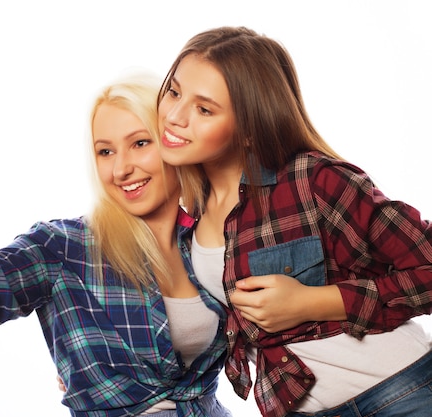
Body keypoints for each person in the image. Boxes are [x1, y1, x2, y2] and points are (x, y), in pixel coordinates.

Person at [0, 72, 235, 417]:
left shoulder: (211, 243)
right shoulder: (66, 248)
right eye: (105, 151)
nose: (121, 169)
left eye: (139, 143)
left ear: (171, 142)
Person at [156, 26, 432, 417]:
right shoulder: (189, 219)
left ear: (249, 128)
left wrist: (312, 301)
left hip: (401, 393)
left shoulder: (313, 181)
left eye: (204, 109)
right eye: (174, 91)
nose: (175, 116)